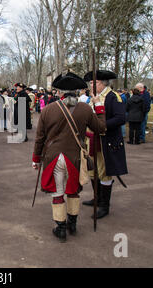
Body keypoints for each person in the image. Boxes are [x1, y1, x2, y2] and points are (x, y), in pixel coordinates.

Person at [32, 72, 106, 242]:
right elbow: (101, 128)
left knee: (58, 192)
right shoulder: (86, 109)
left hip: (54, 157)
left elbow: (40, 138)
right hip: (75, 157)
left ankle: (61, 228)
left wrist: (36, 159)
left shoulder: (48, 109)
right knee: (73, 191)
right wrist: (99, 106)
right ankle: (72, 224)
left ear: (60, 92)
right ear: (77, 92)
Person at [82, 70, 128, 219]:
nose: (90, 85)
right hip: (91, 140)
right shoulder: (92, 98)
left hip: (106, 140)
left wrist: (101, 126)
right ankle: (97, 198)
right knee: (93, 170)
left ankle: (104, 205)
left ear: (101, 83)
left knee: (105, 172)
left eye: (92, 83)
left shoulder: (113, 97)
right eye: (89, 83)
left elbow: (120, 118)